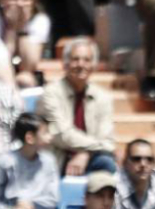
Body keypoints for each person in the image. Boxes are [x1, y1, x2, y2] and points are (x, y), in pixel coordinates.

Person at [38, 39, 117, 175]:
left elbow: (106, 136)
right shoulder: (50, 93)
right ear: (65, 64)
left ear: (94, 66)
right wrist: (99, 147)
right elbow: (62, 135)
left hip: (90, 158)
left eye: (87, 60)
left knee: (107, 163)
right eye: (75, 59)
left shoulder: (103, 97)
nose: (81, 64)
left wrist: (85, 154)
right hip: (57, 158)